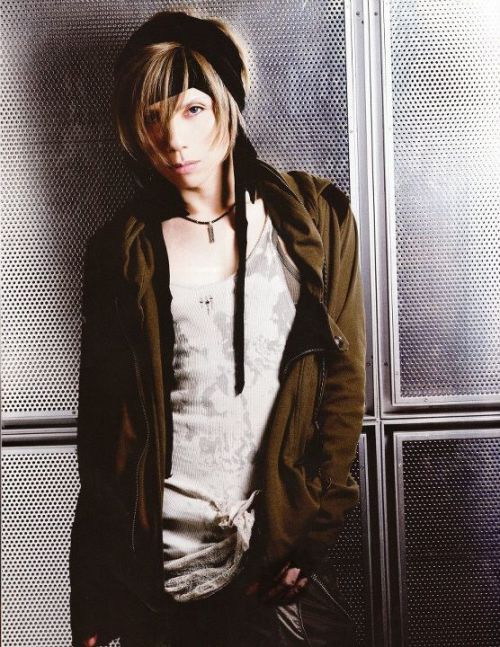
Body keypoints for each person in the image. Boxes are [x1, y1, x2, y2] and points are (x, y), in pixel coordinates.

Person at [69, 9, 366, 647]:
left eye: (193, 109)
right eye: (153, 117)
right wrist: (94, 594)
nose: (173, 139)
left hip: (269, 552)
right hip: (162, 567)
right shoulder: (122, 252)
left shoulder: (314, 219)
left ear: (227, 105)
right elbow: (103, 435)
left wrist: (311, 536)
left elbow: (343, 384)